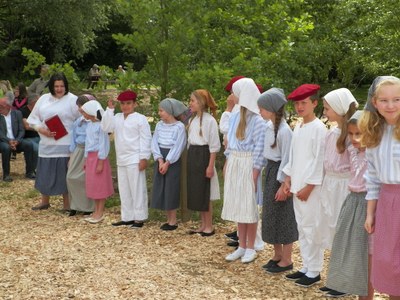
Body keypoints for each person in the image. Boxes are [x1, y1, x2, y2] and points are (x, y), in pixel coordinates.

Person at [324, 110, 374, 299]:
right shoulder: (353, 151)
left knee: (367, 257)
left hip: (368, 203)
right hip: (352, 201)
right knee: (350, 252)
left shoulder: (373, 154)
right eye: (351, 134)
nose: (353, 138)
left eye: (358, 134)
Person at [282, 84, 327, 287]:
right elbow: (294, 156)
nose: (300, 107)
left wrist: (309, 186)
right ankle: (306, 266)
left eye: (304, 103)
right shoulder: (299, 126)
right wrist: (288, 178)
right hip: (296, 185)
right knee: (302, 227)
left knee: (312, 228)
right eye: (297, 103)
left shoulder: (319, 129)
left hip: (311, 189)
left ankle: (315, 270)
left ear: (314, 103)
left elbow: (319, 161)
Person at [360, 77, 400, 299]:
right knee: (390, 263)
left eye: (397, 99)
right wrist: (370, 213)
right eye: (384, 100)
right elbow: (373, 178)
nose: (391, 105)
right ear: (375, 103)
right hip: (387, 202)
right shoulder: (375, 132)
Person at [221, 78, 266, 263]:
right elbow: (230, 143)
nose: (232, 96)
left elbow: (259, 148)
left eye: (235, 92)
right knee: (239, 205)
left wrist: (255, 173)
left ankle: (250, 246)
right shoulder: (234, 116)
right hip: (235, 161)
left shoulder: (257, 120)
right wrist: (227, 162)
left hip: (248, 163)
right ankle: (241, 245)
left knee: (249, 206)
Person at [257, 88, 298, 273]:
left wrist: (283, 184)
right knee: (271, 215)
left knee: (284, 215)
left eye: (263, 108)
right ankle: (277, 254)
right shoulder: (269, 127)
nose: (260, 111)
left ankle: (287, 258)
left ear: (272, 109)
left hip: (281, 173)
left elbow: (288, 158)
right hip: (271, 170)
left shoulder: (284, 131)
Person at [27, 73, 80, 210]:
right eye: (56, 86)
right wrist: (41, 130)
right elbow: (32, 119)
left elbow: (81, 119)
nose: (59, 89)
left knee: (64, 173)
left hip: (66, 142)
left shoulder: (73, 100)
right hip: (46, 142)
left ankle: (67, 204)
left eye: (62, 86)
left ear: (66, 86)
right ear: (51, 86)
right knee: (45, 171)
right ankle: (45, 201)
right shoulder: (44, 99)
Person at [101, 90, 152, 228]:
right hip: (121, 158)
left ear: (135, 104)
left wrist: (144, 158)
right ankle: (127, 216)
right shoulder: (116, 117)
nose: (125, 106)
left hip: (135, 157)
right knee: (124, 189)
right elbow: (106, 127)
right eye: (122, 103)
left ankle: (139, 218)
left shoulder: (140, 119)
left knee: (137, 188)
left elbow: (146, 139)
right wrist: (109, 110)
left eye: (128, 103)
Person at [319, 88, 358, 251]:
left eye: (327, 108)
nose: (325, 112)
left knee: (342, 227)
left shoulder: (352, 136)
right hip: (330, 184)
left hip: (344, 186)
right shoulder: (330, 133)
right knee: (330, 225)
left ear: (339, 109)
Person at [186, 89, 220, 236]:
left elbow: (214, 146)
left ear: (201, 102)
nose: (190, 103)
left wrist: (210, 165)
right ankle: (202, 224)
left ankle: (209, 226)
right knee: (197, 192)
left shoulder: (210, 121)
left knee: (205, 192)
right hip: (194, 156)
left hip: (204, 156)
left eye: (193, 100)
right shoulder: (192, 120)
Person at [151, 98, 187, 230]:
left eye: (161, 110)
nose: (159, 113)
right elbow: (154, 142)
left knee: (171, 188)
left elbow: (178, 146)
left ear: (170, 111)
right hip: (161, 158)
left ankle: (173, 220)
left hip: (172, 160)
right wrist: (159, 159)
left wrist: (168, 162)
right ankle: (168, 218)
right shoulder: (159, 125)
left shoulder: (179, 127)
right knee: (162, 187)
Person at [80, 100, 114, 223]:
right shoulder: (89, 125)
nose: (83, 115)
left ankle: (100, 212)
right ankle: (95, 211)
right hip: (90, 157)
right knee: (93, 185)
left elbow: (103, 144)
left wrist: (101, 161)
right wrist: (85, 159)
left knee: (100, 185)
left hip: (99, 158)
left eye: (85, 112)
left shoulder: (101, 126)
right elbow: (87, 143)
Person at [67, 94, 95, 217]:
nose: (80, 109)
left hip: (89, 151)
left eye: (82, 106)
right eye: (79, 106)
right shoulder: (78, 121)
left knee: (85, 178)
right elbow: (73, 137)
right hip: (78, 150)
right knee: (71, 177)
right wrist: (71, 154)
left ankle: (87, 207)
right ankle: (74, 205)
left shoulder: (94, 122)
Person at [0, 97, 35, 181]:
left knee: (28, 144)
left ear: (8, 106)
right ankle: (6, 175)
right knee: (6, 147)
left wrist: (17, 141)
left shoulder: (17, 114)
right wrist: (9, 141)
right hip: (3, 141)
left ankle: (30, 172)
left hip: (16, 141)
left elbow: (21, 130)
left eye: (1, 106)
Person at [20, 93, 40, 170]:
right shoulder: (23, 111)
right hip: (28, 138)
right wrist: (40, 127)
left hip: (40, 136)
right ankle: (33, 170)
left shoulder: (39, 111)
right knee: (36, 149)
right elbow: (27, 126)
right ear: (33, 102)